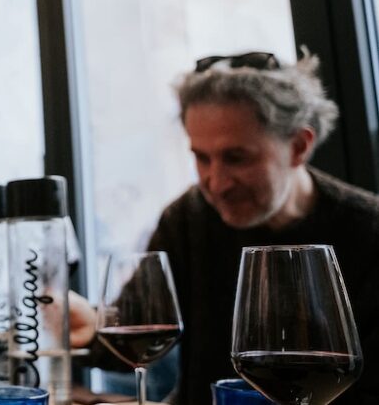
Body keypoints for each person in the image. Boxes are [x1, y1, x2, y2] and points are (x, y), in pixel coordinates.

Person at [71, 51, 379, 404]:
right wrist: (87, 324)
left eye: (236, 158)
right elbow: (138, 334)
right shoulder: (187, 217)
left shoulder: (369, 233)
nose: (216, 183)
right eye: (201, 157)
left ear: (298, 146)